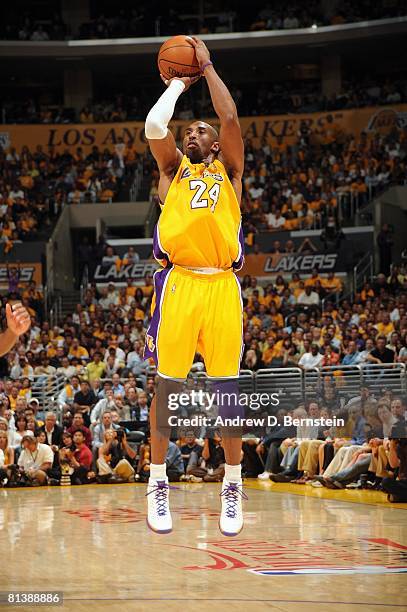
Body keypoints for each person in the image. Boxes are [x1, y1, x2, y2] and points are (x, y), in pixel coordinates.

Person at [143, 37, 245, 535]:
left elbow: (230, 120)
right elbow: (154, 126)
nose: (192, 134)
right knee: (167, 385)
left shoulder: (229, 172)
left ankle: (232, 482)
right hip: (182, 284)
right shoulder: (172, 172)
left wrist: (206, 69)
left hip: (222, 286)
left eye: (200, 131)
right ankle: (157, 480)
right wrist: (179, 84)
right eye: (189, 132)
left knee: (227, 393)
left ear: (215, 146)